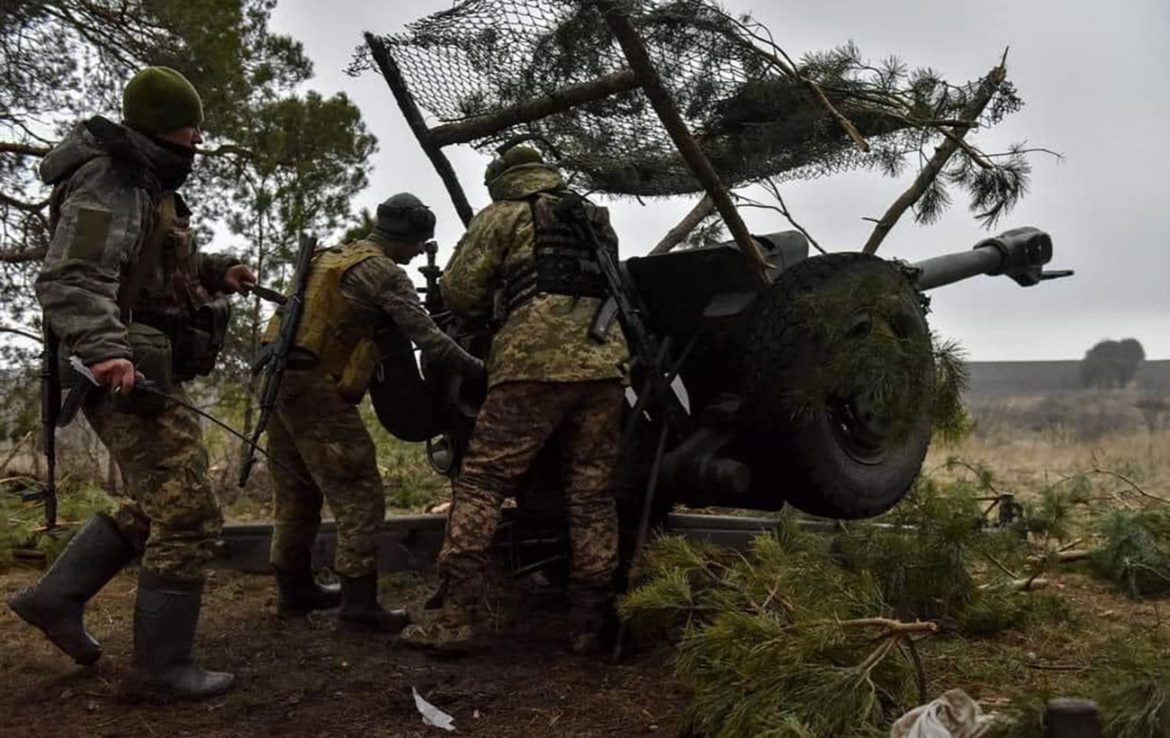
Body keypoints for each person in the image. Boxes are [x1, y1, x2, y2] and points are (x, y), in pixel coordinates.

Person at [8, 67, 255, 699]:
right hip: (118, 368)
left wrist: (214, 270)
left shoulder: (146, 184)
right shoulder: (112, 178)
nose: (199, 140)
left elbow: (148, 268)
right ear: (167, 127)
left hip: (134, 361)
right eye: (191, 128)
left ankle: (54, 599)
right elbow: (72, 275)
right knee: (191, 511)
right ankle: (161, 670)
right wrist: (106, 350)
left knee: (163, 500)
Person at [400, 146, 629, 652]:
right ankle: (591, 623)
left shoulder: (502, 215)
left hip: (533, 366)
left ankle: (454, 619)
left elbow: (460, 293)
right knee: (591, 496)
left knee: (482, 483)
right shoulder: (592, 216)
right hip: (605, 365)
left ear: (502, 178)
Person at [264, 193, 483, 632]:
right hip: (314, 387)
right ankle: (359, 606)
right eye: (420, 244)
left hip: (274, 378)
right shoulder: (384, 273)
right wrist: (483, 370)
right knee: (359, 492)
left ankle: (294, 591)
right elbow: (432, 340)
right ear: (405, 238)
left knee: (297, 490)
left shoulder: (330, 257)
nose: (420, 252)